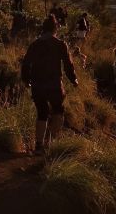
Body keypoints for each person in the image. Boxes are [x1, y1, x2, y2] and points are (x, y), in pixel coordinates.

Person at [20, 16, 79, 155]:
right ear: (55, 28)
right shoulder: (60, 44)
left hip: (37, 84)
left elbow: (26, 64)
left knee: (42, 113)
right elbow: (68, 65)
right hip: (54, 85)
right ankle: (49, 143)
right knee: (58, 111)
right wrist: (74, 79)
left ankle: (39, 145)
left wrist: (26, 80)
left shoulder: (35, 44)